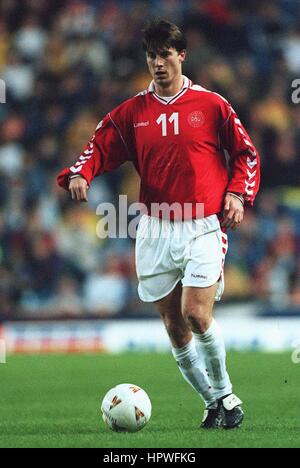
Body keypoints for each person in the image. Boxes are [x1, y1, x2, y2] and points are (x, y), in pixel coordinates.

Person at [57, 19, 260, 429]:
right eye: (152, 56)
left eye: (166, 55)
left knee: (196, 315)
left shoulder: (211, 105)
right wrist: (81, 173)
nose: (158, 63)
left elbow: (246, 153)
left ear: (181, 55)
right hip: (155, 227)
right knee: (173, 324)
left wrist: (237, 195)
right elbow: (99, 145)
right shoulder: (132, 112)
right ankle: (212, 403)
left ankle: (227, 395)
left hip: (202, 224)